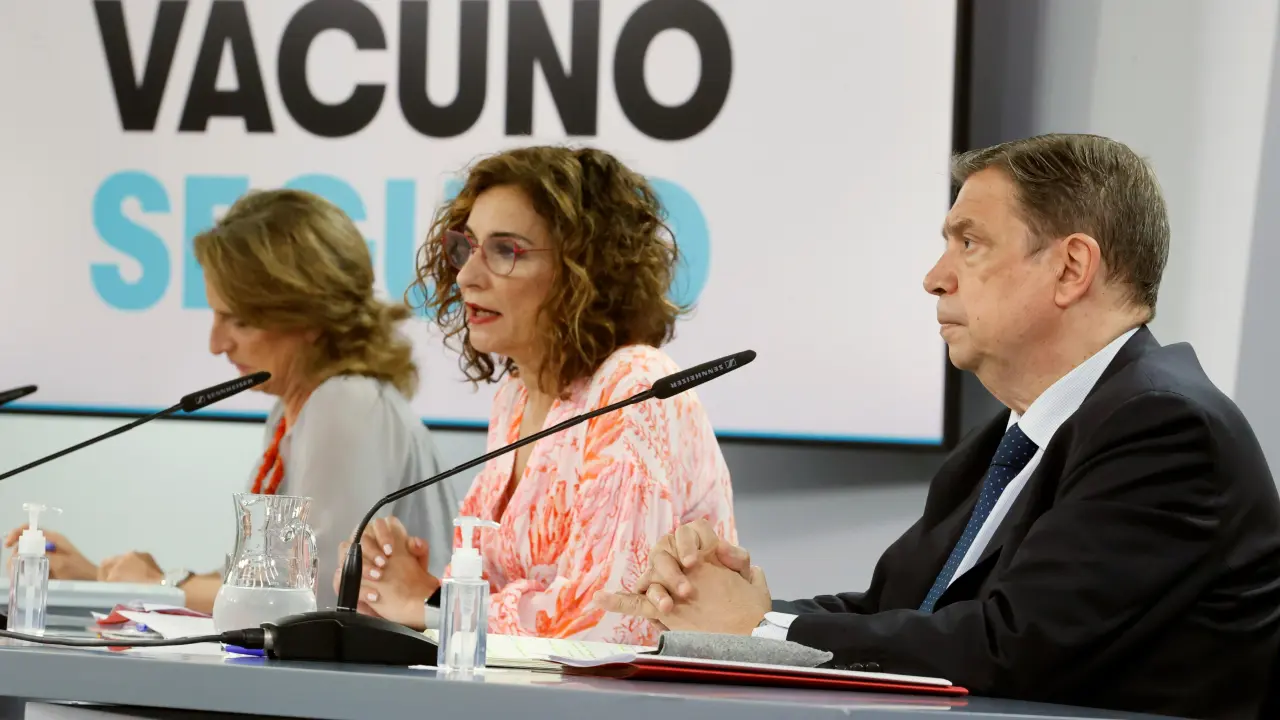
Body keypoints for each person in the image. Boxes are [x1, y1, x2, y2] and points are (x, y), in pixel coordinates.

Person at [596, 134, 1280, 720]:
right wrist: (716, 608)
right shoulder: (1006, 444)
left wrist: (755, 627)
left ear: (1071, 268)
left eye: (970, 243)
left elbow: (1009, 645)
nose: (934, 278)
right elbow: (895, 609)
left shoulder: (1165, 427)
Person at [336, 145, 736, 645]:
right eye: (468, 248)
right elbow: (495, 609)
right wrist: (392, 583)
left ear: (584, 269)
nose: (466, 276)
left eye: (505, 251)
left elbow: (610, 618)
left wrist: (432, 601)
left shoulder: (635, 386)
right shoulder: (515, 398)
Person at [4, 189, 460, 613]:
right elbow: (260, 584)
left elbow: (312, 598)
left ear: (310, 316)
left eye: (238, 321)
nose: (216, 344)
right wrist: (100, 579)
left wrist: (158, 585)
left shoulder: (345, 405)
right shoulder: (293, 409)